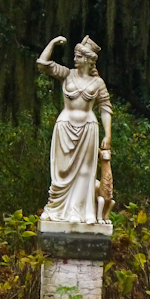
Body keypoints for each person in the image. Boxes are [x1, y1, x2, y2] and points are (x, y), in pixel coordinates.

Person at [37, 35, 112, 225]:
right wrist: (53, 43)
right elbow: (43, 64)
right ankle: (55, 208)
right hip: (65, 127)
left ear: (87, 60)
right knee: (60, 173)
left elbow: (105, 108)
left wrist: (108, 134)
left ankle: (79, 212)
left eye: (78, 56)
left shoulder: (98, 83)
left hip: (88, 129)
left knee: (86, 173)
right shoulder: (67, 74)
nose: (74, 59)